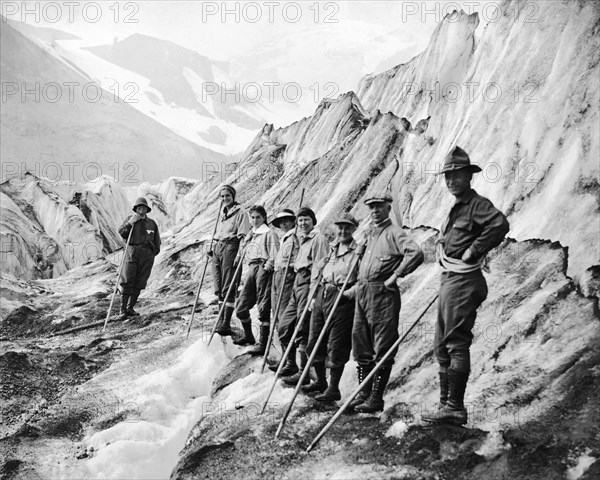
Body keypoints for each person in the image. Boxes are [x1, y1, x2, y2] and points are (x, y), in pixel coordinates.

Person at [422, 146, 509, 425]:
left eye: (456, 175)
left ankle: (455, 407)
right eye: (447, 176)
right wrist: (440, 244)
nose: (450, 180)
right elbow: (449, 238)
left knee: (456, 343)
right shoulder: (456, 207)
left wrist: (475, 249)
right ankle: (445, 405)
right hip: (451, 280)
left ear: (468, 176)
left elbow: (499, 224)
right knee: (441, 344)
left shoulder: (477, 204)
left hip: (464, 281)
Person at [349, 192, 424, 413]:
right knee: (361, 344)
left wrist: (396, 275)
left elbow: (416, 252)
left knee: (382, 346)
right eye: (371, 207)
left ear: (388, 208)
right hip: (363, 292)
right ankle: (363, 391)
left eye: (379, 207)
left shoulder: (394, 233)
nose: (374, 211)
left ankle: (376, 398)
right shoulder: (370, 234)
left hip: (382, 294)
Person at [304, 214, 361, 400]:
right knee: (314, 341)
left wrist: (347, 294)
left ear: (353, 229)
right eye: (340, 227)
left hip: (342, 300)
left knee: (337, 344)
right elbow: (318, 273)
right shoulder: (330, 250)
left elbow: (363, 281)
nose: (343, 231)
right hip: (322, 295)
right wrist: (313, 297)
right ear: (336, 229)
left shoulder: (359, 252)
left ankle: (334, 389)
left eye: (347, 228)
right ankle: (321, 381)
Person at [278, 207, 329, 386]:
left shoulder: (318, 239)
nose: (303, 223)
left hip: (309, 283)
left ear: (313, 221)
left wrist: (313, 293)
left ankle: (304, 372)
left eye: (306, 220)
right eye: (300, 220)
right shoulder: (301, 239)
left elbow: (320, 266)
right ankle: (291, 363)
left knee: (302, 329)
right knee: (284, 326)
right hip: (297, 283)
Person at [233, 205, 280, 354]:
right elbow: (244, 250)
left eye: (258, 217)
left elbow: (275, 253)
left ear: (264, 218)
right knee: (241, 306)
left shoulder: (269, 233)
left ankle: (263, 344)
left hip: (263, 268)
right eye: (252, 217)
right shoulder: (251, 234)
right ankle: (248, 335)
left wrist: (268, 266)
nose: (254, 220)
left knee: (263, 305)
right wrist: (238, 257)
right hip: (252, 267)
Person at [211, 185, 250, 336]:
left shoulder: (241, 212)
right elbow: (219, 232)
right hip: (218, 247)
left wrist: (239, 255)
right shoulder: (222, 211)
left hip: (231, 247)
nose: (225, 198)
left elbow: (243, 236)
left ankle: (226, 323)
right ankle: (221, 321)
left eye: (227, 195)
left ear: (233, 196)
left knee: (228, 285)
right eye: (222, 196)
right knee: (218, 285)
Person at [267, 209, 299, 375]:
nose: (284, 224)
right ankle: (286, 359)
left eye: (287, 220)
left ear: (293, 220)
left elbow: (299, 258)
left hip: (288, 277)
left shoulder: (296, 236)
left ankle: (291, 362)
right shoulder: (285, 237)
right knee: (278, 318)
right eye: (281, 222)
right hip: (278, 277)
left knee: (285, 320)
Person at [118, 197, 161, 318]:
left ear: (147, 210)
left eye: (143, 208)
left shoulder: (152, 224)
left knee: (140, 281)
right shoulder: (130, 220)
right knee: (127, 279)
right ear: (136, 209)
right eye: (138, 207)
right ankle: (122, 309)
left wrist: (152, 253)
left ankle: (130, 308)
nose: (141, 210)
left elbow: (157, 240)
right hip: (132, 251)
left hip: (146, 255)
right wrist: (130, 223)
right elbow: (121, 232)